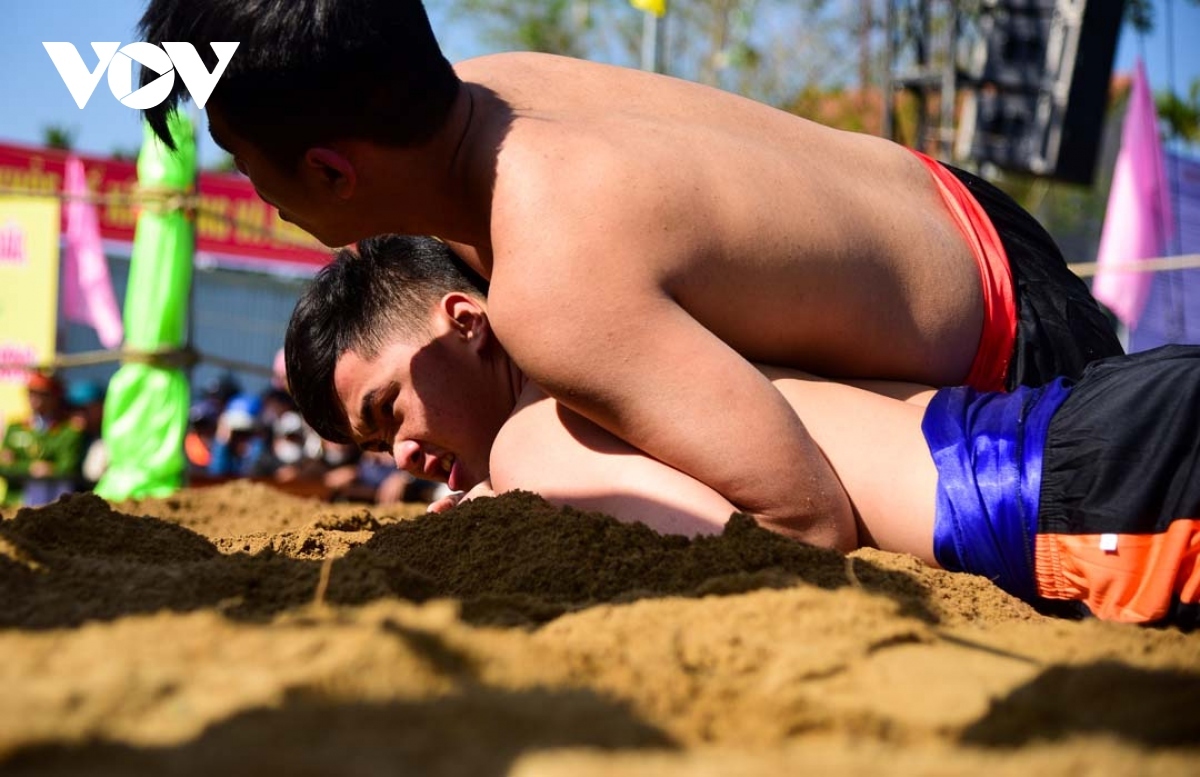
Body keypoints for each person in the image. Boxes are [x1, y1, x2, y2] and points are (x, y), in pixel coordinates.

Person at [141, 0, 1122, 550]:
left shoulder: (549, 285)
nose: (251, 189)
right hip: (964, 210)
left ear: (327, 170)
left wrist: (516, 504)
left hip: (1014, 367)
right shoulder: (499, 83)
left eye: (242, 158)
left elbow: (805, 521)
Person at [285, 236, 1197, 628]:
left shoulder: (539, 427)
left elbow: (756, 562)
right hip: (1094, 433)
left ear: (465, 319)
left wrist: (496, 510)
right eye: (376, 452)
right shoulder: (619, 338)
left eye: (388, 410)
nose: (402, 455)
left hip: (1078, 499)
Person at [0, 372, 86, 507]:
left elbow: (67, 466)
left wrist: (20, 463)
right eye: (31, 393)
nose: (34, 399)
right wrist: (30, 468)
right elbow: (3, 467)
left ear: (54, 398)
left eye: (42, 394)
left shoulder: (67, 431)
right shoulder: (15, 428)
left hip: (52, 506)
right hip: (15, 503)